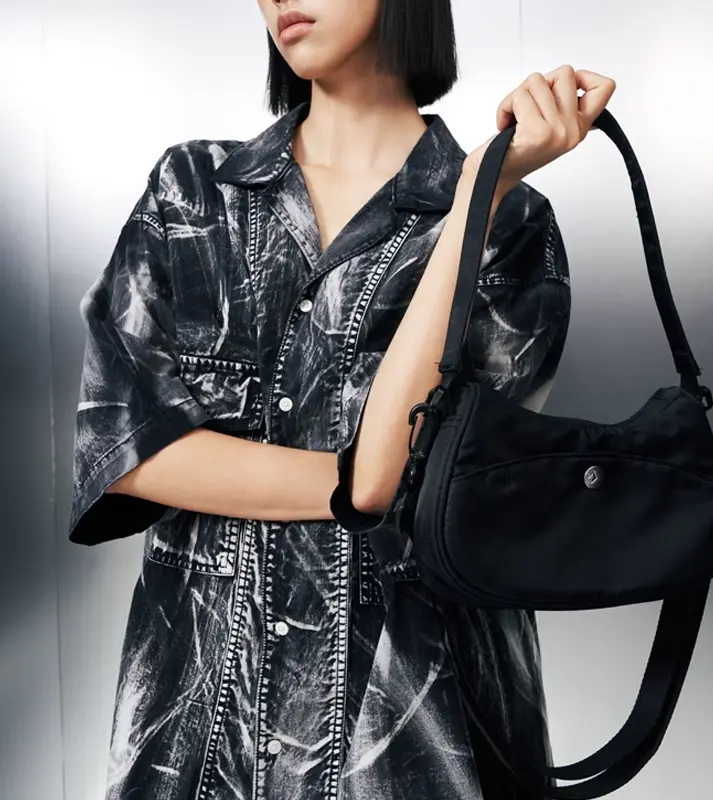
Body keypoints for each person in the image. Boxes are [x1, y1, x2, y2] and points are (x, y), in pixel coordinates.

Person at [67, 0, 615, 797]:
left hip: (417, 745)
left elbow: (432, 478)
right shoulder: (192, 196)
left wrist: (474, 199)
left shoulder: (511, 225)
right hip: (200, 748)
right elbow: (123, 450)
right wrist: (352, 482)